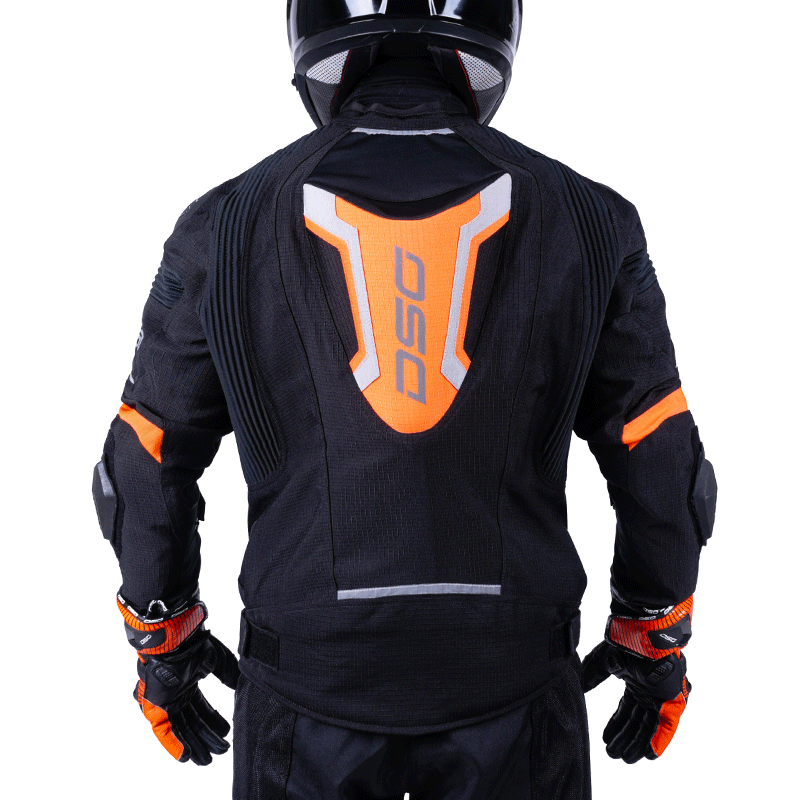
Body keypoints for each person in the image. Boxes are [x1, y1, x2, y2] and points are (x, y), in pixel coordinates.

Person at [93, 2, 717, 798]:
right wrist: (652, 632)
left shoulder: (225, 222)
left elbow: (145, 457)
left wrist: (163, 636)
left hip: (308, 686)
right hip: (513, 682)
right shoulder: (592, 219)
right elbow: (656, 451)